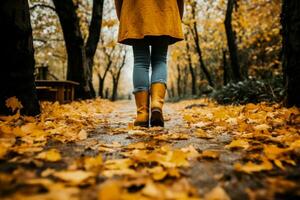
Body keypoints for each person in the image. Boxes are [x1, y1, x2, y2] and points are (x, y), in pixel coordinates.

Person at [114, 0, 184, 127]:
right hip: (165, 9)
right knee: (160, 60)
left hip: (135, 9)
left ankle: (142, 114)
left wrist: (123, 15)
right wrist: (177, 15)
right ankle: (157, 104)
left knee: (140, 61)